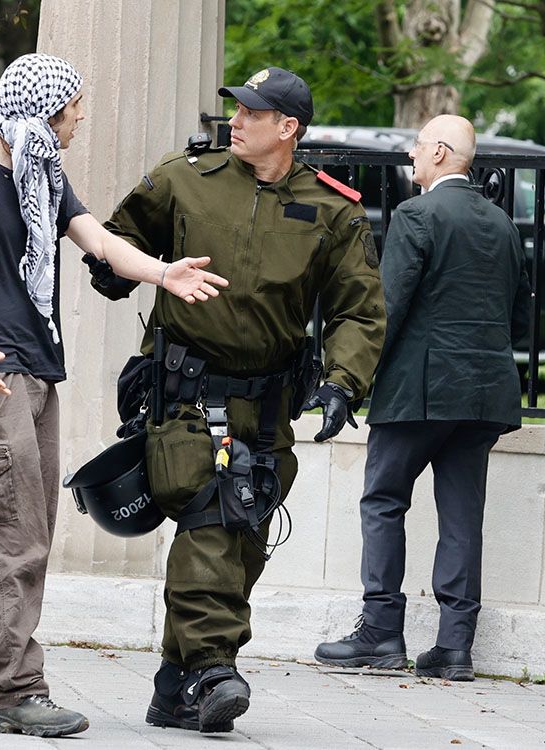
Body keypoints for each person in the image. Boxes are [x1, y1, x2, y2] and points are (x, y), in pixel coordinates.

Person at [0, 53, 227, 738]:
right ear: (47, 107)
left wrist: (163, 272)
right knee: (9, 538)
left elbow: (102, 244)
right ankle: (15, 693)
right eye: (75, 106)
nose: (82, 117)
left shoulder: (40, 173)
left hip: (33, 372)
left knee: (16, 532)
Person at [101, 67, 385, 732]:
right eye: (237, 109)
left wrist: (344, 383)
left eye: (253, 113)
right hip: (186, 393)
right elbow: (118, 239)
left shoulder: (332, 210)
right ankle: (211, 671)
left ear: (288, 128)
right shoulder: (183, 178)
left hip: (268, 407)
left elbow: (359, 312)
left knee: (244, 538)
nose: (236, 120)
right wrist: (114, 269)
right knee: (210, 518)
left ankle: (175, 682)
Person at [314, 115, 529, 681]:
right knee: (462, 517)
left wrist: (347, 381)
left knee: (384, 501)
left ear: (439, 152)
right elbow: (521, 320)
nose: (410, 155)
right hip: (484, 396)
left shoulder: (417, 215)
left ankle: (382, 633)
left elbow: (387, 309)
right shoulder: (504, 225)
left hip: (418, 391)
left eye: (416, 146)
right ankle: (455, 647)